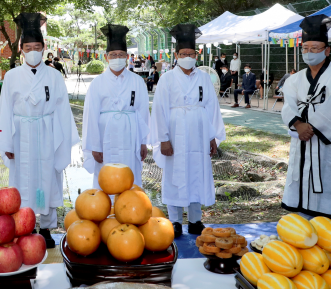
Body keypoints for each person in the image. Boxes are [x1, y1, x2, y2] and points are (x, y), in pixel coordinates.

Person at [0, 13, 79, 248]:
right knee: (23, 179)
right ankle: (25, 225)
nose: (32, 51)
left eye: (37, 47)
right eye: (28, 47)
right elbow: (5, 110)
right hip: (21, 133)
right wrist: (7, 144)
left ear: (43, 48)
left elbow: (63, 109)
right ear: (21, 49)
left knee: (48, 178)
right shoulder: (11, 76)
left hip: (47, 132)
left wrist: (62, 141)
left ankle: (46, 227)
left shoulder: (54, 75)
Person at [150, 24, 225, 237]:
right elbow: (160, 110)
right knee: (175, 174)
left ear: (196, 54)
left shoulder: (203, 78)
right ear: (176, 55)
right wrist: (163, 139)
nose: (187, 56)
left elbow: (211, 107)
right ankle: (174, 221)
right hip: (175, 133)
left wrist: (212, 136)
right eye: (183, 53)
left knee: (196, 173)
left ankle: (195, 220)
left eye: (191, 53)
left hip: (200, 134)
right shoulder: (167, 79)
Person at [281, 14, 331, 219]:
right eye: (305, 48)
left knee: (330, 194)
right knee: (301, 202)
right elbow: (288, 105)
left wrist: (310, 127)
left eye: (314, 48)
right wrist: (297, 124)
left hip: (327, 146)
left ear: (326, 50)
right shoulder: (294, 80)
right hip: (302, 143)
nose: (309, 52)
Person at [82, 24, 150, 190]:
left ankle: (130, 209)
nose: (117, 58)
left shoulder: (137, 81)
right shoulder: (97, 83)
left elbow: (142, 113)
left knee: (129, 176)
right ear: (106, 57)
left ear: (127, 57)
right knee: (106, 177)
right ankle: (105, 210)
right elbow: (90, 116)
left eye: (120, 54)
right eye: (113, 55)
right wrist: (94, 146)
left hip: (131, 135)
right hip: (105, 137)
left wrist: (143, 142)